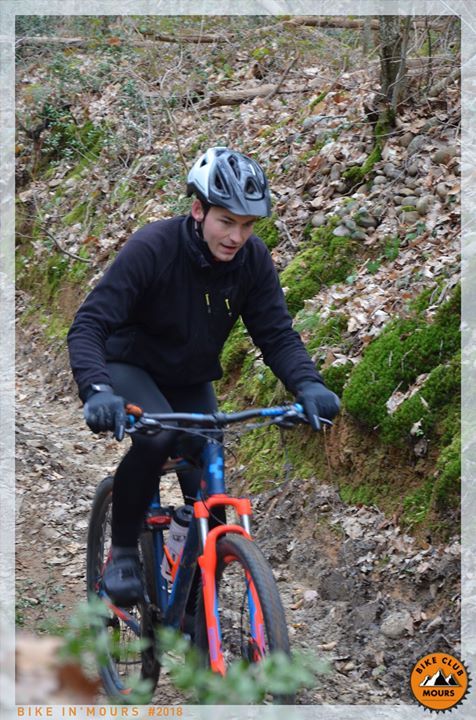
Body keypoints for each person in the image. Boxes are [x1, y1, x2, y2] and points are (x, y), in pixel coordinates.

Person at [67, 146, 340, 607]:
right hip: (130, 365)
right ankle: (125, 550)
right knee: (157, 437)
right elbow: (90, 324)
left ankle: (191, 596)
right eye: (226, 221)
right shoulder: (153, 248)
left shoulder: (252, 261)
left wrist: (308, 384)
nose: (236, 237)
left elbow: (275, 333)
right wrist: (96, 389)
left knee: (209, 484)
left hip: (189, 377)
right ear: (198, 210)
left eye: (247, 225)